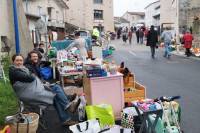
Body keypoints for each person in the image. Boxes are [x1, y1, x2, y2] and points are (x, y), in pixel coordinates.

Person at [9, 54, 80, 126]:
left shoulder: (23, 69)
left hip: (32, 91)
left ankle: (66, 118)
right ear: (13, 62)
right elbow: (31, 78)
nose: (19, 62)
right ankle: (68, 105)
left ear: (23, 61)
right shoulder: (14, 71)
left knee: (54, 96)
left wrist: (37, 78)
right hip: (29, 93)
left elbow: (33, 77)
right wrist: (34, 77)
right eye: (17, 60)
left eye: (20, 60)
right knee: (56, 87)